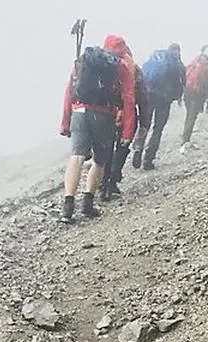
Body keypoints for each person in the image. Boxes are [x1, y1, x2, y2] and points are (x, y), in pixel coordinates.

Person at [59, 35, 137, 223]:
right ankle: (87, 204)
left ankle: (67, 207)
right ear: (122, 50)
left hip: (79, 111)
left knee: (76, 156)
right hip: (104, 114)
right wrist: (127, 132)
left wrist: (64, 122)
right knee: (100, 160)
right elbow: (128, 99)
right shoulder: (120, 66)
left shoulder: (84, 61)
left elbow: (69, 89)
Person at [134, 44, 186, 170]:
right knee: (158, 130)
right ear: (178, 51)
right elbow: (182, 82)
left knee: (145, 124)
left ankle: (138, 147)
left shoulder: (155, 57)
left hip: (149, 95)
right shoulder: (177, 62)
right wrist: (177, 97)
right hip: (164, 99)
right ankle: (148, 159)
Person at [102, 58, 149, 199]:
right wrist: (144, 123)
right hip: (128, 115)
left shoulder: (103, 66)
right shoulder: (133, 69)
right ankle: (113, 181)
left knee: (107, 148)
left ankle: (103, 183)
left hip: (106, 113)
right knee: (122, 147)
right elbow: (142, 98)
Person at [180, 53, 208, 149]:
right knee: (192, 117)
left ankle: (185, 136)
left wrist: (180, 96)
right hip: (198, 96)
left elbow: (183, 81)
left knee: (189, 115)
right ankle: (186, 138)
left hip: (187, 94)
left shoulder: (190, 67)